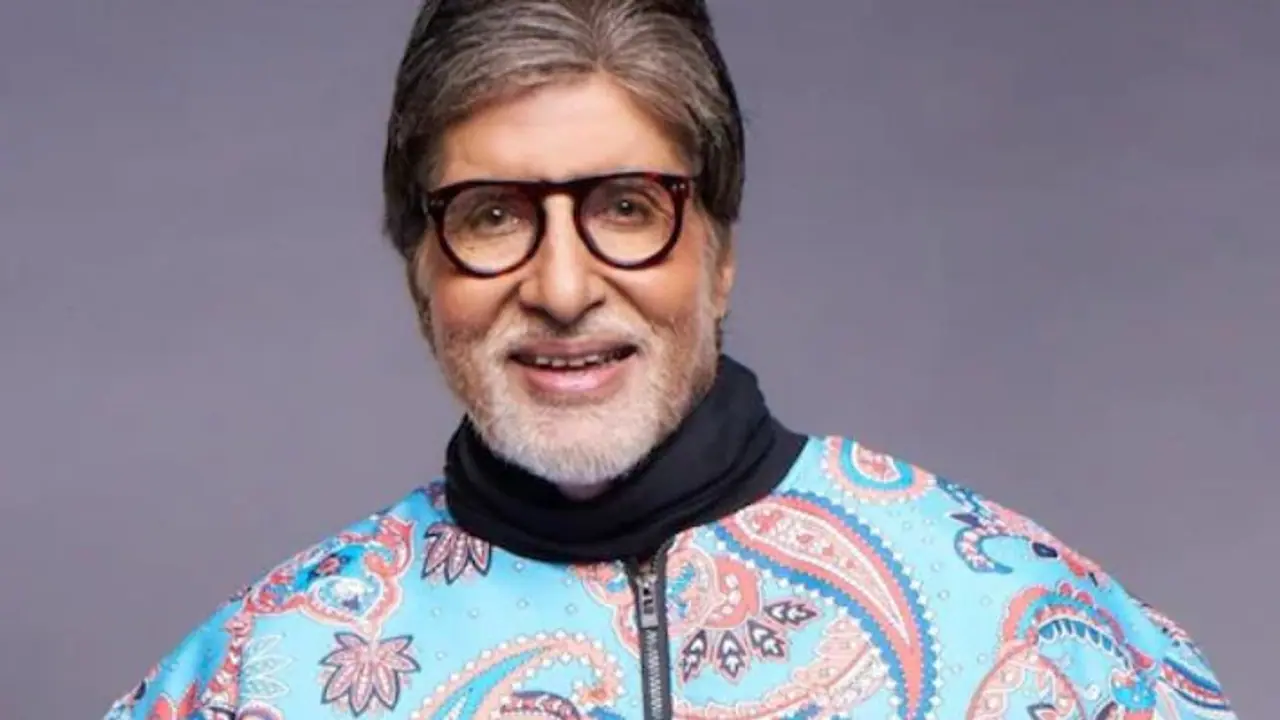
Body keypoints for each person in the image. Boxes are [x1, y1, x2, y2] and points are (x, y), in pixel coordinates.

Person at [103, 1, 1235, 718]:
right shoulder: (260, 676)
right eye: (491, 215)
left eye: (627, 207)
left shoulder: (1030, 630)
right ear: (421, 271)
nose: (560, 288)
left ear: (719, 255)